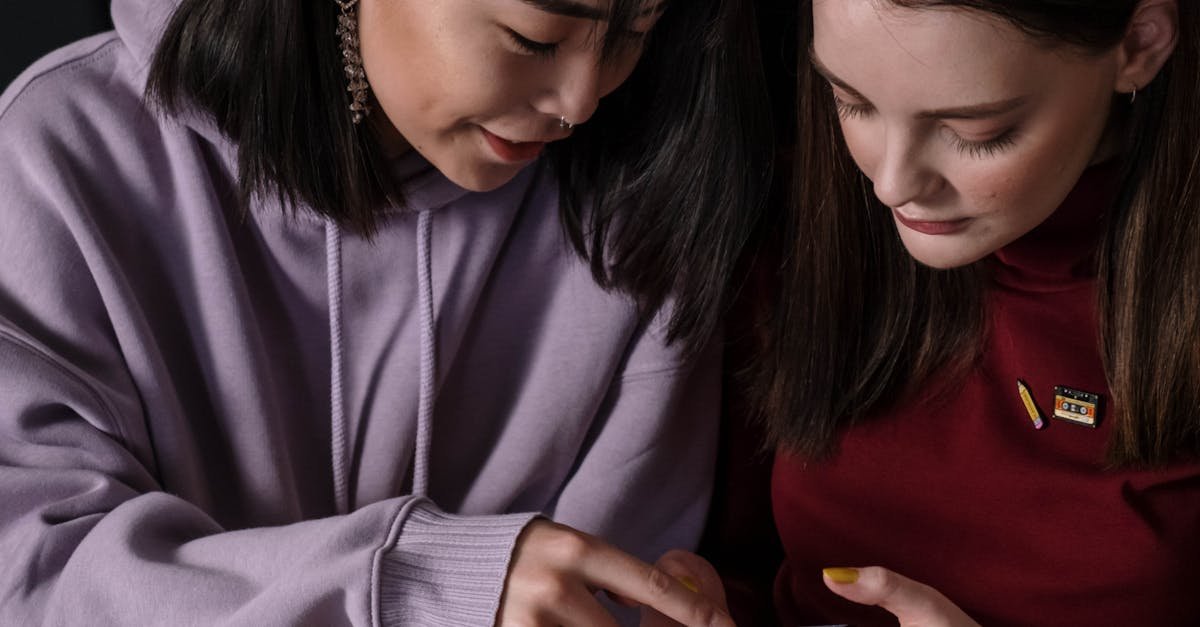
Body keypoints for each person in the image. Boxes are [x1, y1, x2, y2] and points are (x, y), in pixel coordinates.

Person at [0, 0, 771, 623]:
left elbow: (609, 584)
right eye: (536, 37)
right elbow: (30, 579)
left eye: (633, 33)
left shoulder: (643, 204)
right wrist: (411, 586)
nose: (581, 99)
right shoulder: (57, 164)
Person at [706, 0, 1200, 625]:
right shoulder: (789, 226)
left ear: (1139, 44)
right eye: (852, 102)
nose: (891, 184)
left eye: (974, 133)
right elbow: (748, 567)